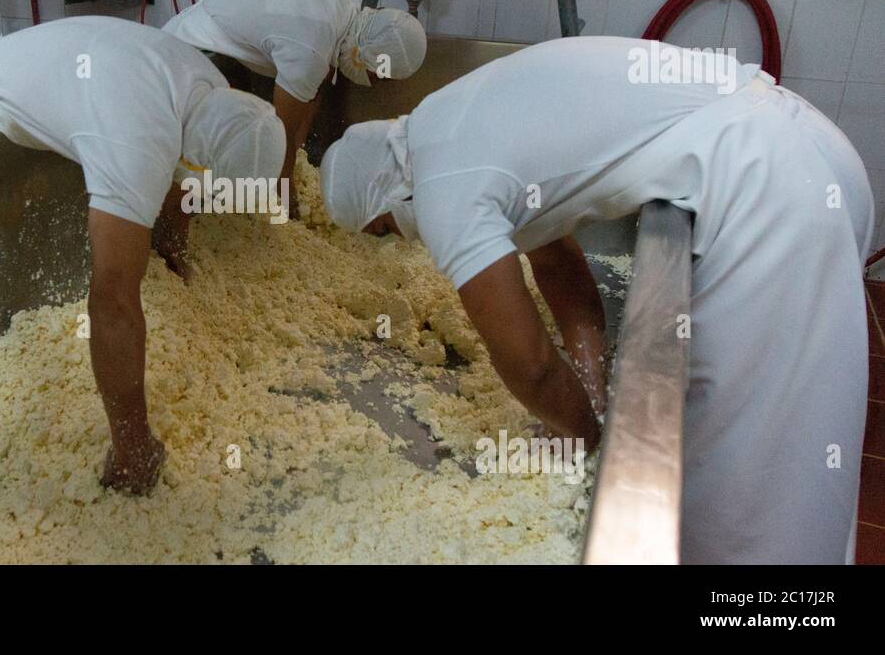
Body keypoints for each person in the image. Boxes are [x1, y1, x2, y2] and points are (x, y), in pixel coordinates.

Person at [320, 36, 875, 564]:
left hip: (767, 191)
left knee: (753, 485)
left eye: (386, 229)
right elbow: (559, 268)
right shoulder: (443, 123)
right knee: (789, 444)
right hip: (802, 143)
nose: (401, 239)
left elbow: (530, 366)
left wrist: (582, 440)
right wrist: (592, 387)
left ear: (385, 199)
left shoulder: (443, 189)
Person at [0, 16, 286, 494]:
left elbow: (181, 177)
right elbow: (112, 301)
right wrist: (133, 449)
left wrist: (172, 256)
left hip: (19, 95)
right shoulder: (136, 138)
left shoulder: (213, 93)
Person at [163, 0, 427, 209]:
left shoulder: (344, 11)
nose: (373, 83)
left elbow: (310, 96)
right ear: (363, 56)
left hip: (212, 33)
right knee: (201, 152)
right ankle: (178, 226)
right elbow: (282, 134)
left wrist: (294, 161)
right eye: (376, 76)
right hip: (189, 51)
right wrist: (286, 204)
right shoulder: (312, 48)